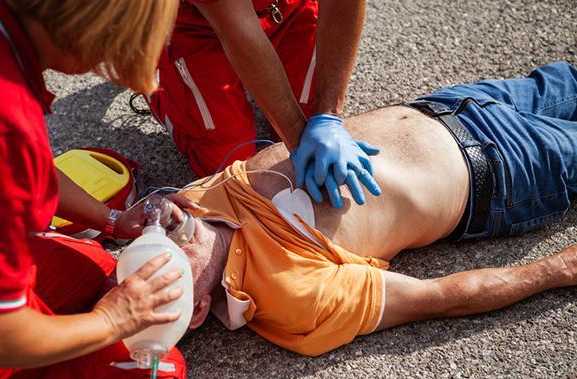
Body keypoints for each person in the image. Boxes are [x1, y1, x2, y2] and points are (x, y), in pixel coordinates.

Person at [161, 62, 576, 356]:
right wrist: (556, 270)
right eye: (164, 268)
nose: (161, 238)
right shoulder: (292, 301)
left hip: (451, 104)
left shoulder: (188, 205)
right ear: (197, 310)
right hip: (509, 169)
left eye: (144, 251)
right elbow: (438, 297)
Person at [0, 0, 194, 379]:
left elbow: (19, 170)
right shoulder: (0, 126)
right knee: (157, 375)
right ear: (97, 29)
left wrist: (112, 220)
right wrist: (114, 319)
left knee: (96, 269)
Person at [146, 0, 382, 209]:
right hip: (196, 25)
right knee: (232, 167)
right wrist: (297, 143)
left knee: (309, 117)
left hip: (285, 7)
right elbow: (237, 29)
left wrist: (327, 116)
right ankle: (150, 72)